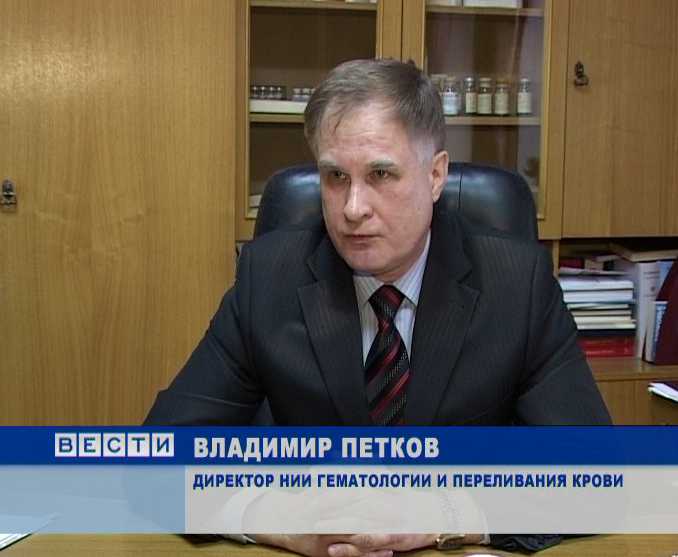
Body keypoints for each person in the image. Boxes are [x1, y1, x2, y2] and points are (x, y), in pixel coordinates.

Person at [145, 59, 611, 556]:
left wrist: (449, 516)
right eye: (335, 176)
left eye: (381, 174)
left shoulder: (516, 285)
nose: (352, 208)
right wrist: (275, 520)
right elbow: (154, 462)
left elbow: (598, 476)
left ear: (436, 175)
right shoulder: (270, 276)